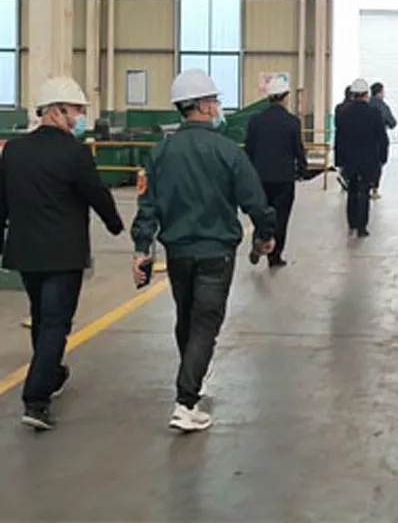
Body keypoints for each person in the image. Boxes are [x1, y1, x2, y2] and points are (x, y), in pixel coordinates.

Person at [131, 69, 276, 432]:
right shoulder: (227, 151)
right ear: (203, 105)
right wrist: (265, 233)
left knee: (187, 316)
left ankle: (192, 375)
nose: (217, 107)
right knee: (206, 323)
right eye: (214, 101)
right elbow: (254, 200)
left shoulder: (160, 153)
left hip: (178, 252)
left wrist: (141, 249)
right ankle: (186, 402)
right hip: (216, 253)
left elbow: (147, 206)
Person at [0, 77, 124, 431]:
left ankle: (51, 374)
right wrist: (116, 225)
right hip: (63, 254)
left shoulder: (13, 151)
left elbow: (1, 200)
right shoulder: (75, 153)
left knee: (42, 317)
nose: (80, 118)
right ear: (56, 111)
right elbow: (96, 193)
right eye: (76, 111)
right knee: (56, 323)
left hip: (25, 252)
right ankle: (35, 400)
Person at [245, 75, 307, 268]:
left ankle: (259, 240)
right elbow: (298, 150)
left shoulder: (255, 120)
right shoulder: (292, 122)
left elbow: (249, 149)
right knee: (281, 218)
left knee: (261, 213)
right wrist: (302, 169)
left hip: (260, 178)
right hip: (283, 179)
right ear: (285, 97)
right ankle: (275, 256)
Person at [333, 78, 389, 237]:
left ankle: (351, 222)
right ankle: (362, 227)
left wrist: (339, 160)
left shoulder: (343, 113)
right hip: (368, 159)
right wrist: (382, 157)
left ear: (352, 95)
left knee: (352, 189)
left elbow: (339, 139)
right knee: (364, 191)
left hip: (349, 159)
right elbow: (382, 138)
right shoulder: (374, 113)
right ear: (366, 95)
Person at [369, 82, 397, 200]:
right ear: (380, 92)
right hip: (379, 140)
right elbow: (392, 123)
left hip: (365, 140)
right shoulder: (382, 106)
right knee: (377, 165)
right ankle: (374, 189)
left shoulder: (366, 103)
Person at [334, 86, 352, 191]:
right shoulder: (352, 108)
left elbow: (336, 123)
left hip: (340, 138)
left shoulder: (339, 107)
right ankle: (346, 179)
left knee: (343, 162)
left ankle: (343, 176)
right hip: (351, 140)